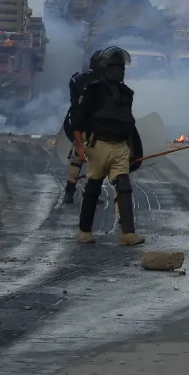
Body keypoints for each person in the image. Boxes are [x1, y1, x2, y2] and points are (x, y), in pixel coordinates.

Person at [70, 47, 145, 246]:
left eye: (121, 67)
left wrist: (133, 150)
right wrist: (80, 146)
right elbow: (79, 121)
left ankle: (128, 234)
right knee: (93, 187)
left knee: (124, 186)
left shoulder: (126, 94)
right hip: (98, 145)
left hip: (120, 146)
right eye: (114, 66)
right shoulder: (93, 91)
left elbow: (128, 123)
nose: (118, 71)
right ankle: (84, 231)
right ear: (105, 68)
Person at [63, 50, 105, 203]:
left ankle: (69, 192)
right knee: (95, 161)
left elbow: (74, 102)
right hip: (94, 126)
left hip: (76, 124)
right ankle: (89, 193)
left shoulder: (78, 79)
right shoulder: (103, 83)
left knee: (77, 158)